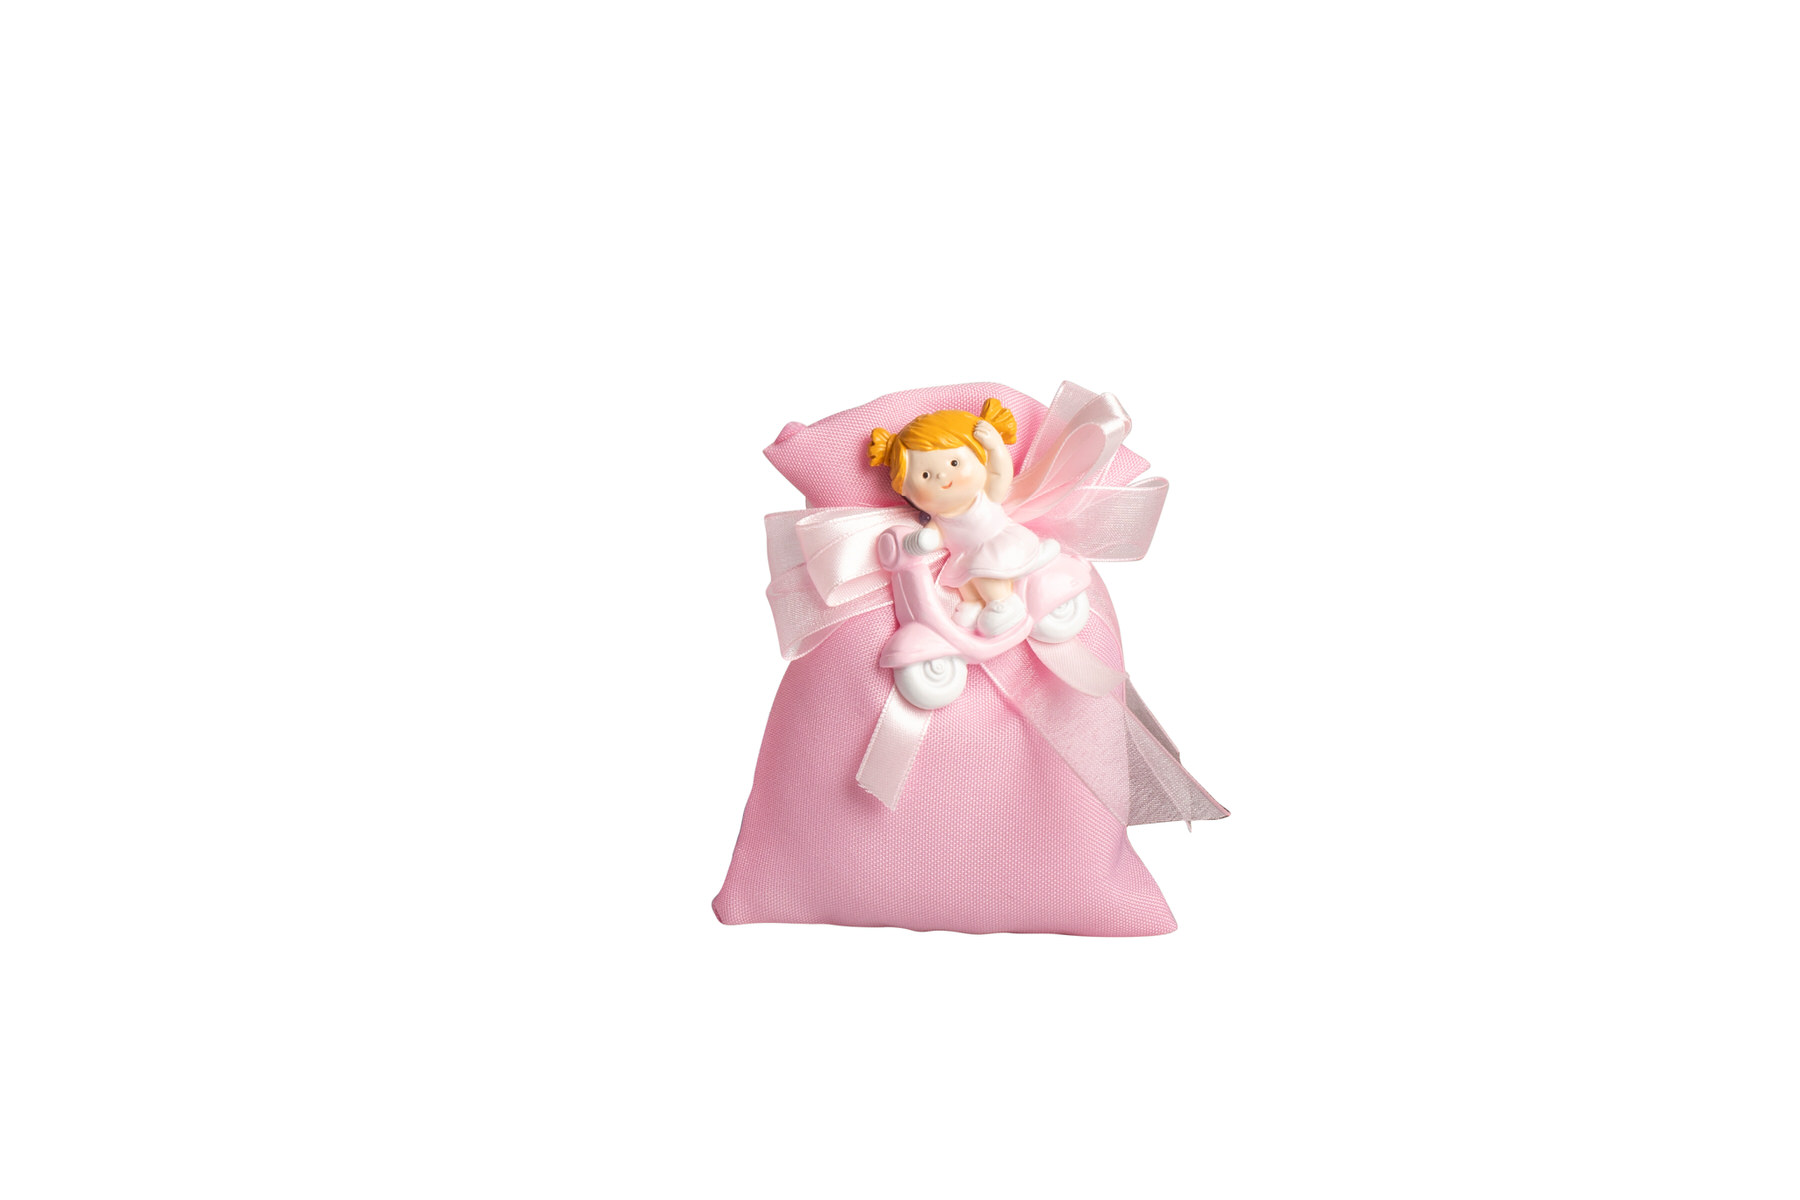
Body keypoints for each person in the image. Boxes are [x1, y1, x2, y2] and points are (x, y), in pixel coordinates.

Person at [868, 398, 1060, 636]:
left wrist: (995, 447)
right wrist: (923, 541)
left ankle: (1005, 603)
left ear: (980, 460)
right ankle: (975, 604)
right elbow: (934, 537)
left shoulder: (985, 496)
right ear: (905, 491)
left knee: (984, 571)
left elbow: (1001, 474)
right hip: (966, 555)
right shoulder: (939, 520)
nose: (942, 476)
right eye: (925, 475)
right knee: (966, 581)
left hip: (996, 542)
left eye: (954, 462)